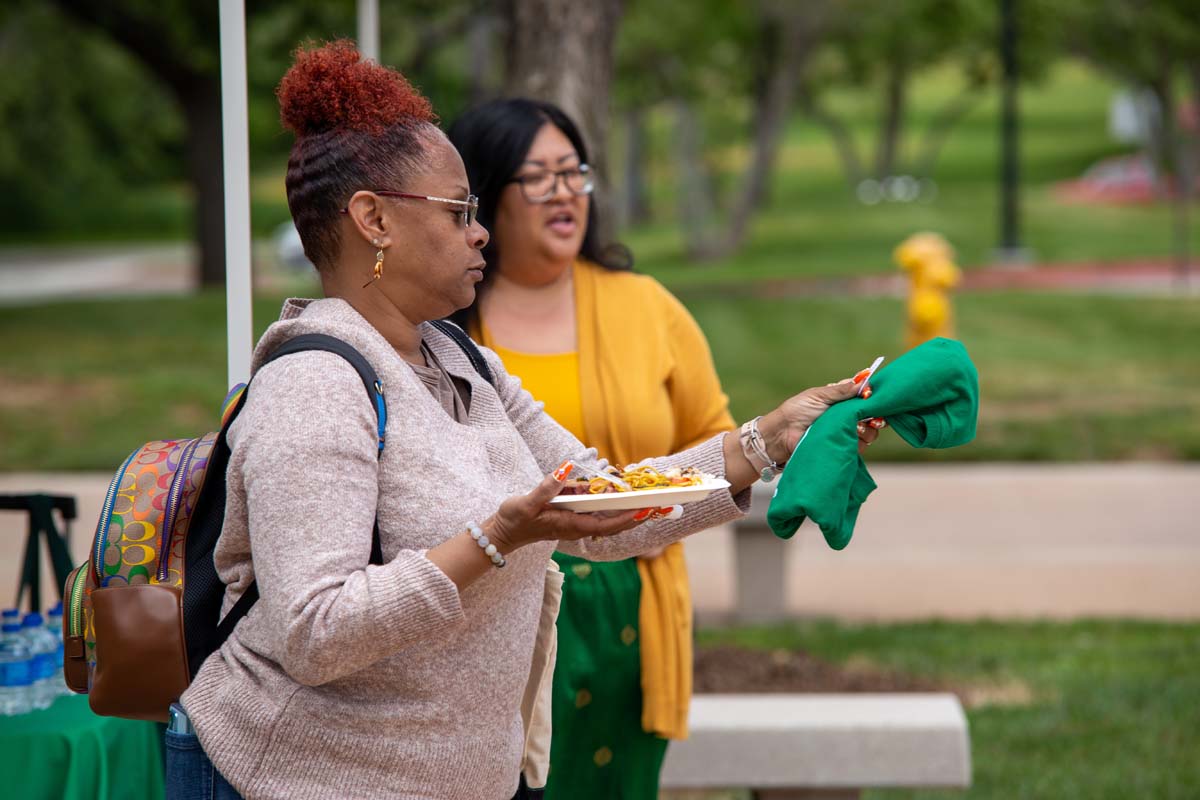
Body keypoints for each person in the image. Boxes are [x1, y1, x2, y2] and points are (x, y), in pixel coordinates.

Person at [170, 41, 877, 800]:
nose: (481, 232)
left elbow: (611, 506)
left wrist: (764, 441)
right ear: (372, 219)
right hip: (297, 780)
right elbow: (315, 634)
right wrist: (498, 539)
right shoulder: (314, 385)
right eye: (458, 211)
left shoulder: (461, 359)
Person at [447, 98, 732, 798]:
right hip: (498, 609)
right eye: (538, 176)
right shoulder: (444, 326)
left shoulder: (647, 307)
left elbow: (717, 440)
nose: (564, 191)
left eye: (573, 172)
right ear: (485, 196)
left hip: (629, 611)